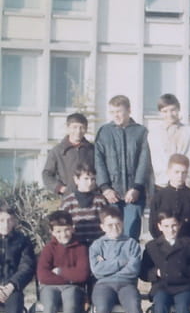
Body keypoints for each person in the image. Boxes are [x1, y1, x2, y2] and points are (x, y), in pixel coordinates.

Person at [89, 206, 145, 313]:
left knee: (134, 306)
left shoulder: (131, 243)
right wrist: (121, 262)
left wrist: (107, 264)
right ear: (102, 227)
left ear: (123, 223)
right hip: (103, 285)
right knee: (101, 309)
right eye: (110, 225)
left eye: (118, 224)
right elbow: (97, 271)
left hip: (127, 284)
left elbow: (133, 270)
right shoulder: (97, 245)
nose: (115, 228)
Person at [36, 211, 89, 313]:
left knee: (71, 305)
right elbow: (43, 275)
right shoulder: (48, 248)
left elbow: (82, 274)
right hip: (50, 287)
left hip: (72, 288)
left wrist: (60, 272)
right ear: (52, 232)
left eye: (66, 230)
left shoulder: (81, 248)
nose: (63, 234)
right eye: (58, 231)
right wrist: (70, 277)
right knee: (49, 306)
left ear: (72, 228)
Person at [94, 95, 151, 240]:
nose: (116, 115)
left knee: (131, 233)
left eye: (119, 111)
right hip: (111, 194)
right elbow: (98, 161)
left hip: (134, 194)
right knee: (112, 234)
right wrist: (105, 188)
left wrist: (137, 187)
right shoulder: (104, 132)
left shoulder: (141, 132)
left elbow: (144, 162)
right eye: (112, 112)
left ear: (129, 110)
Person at [0, 204, 36, 313]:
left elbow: (27, 267)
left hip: (12, 289)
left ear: (14, 221)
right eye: (1, 220)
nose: (5, 224)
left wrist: (11, 286)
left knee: (15, 309)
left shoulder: (23, 241)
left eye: (9, 220)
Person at [148, 93, 190, 191]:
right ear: (160, 113)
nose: (169, 114)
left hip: (186, 185)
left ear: (178, 109)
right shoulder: (153, 134)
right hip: (162, 185)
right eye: (165, 111)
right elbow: (151, 162)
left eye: (173, 110)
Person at [148, 154, 190, 240]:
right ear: (168, 172)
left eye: (183, 172)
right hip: (163, 245)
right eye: (176, 172)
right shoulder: (159, 197)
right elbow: (153, 226)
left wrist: (188, 244)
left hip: (187, 244)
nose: (180, 176)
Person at [42, 112, 95, 197]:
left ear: (86, 129)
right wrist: (60, 188)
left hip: (91, 196)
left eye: (82, 127)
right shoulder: (57, 151)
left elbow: (100, 171)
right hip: (68, 197)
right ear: (68, 128)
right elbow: (47, 174)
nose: (78, 131)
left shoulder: (92, 150)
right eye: (74, 127)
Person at [60, 163, 108, 247]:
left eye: (92, 179)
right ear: (76, 179)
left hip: (97, 245)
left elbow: (106, 223)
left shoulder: (100, 200)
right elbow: (61, 227)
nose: (90, 183)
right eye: (86, 179)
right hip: (76, 246)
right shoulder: (68, 202)